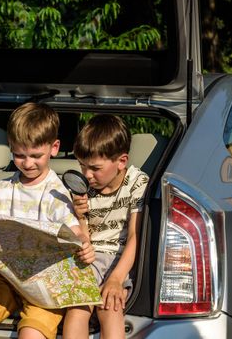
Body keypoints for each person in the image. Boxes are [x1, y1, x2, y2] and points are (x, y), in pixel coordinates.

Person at [0, 102, 95, 339]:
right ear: (10, 148)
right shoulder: (4, 188)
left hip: (45, 288)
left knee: (30, 335)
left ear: (54, 147)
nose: (28, 163)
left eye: (36, 155)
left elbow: (74, 232)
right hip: (5, 278)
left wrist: (83, 244)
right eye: (19, 155)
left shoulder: (56, 192)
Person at [62, 114, 149, 339]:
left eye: (95, 168)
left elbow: (134, 236)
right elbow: (84, 239)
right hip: (89, 259)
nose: (87, 175)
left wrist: (116, 279)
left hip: (120, 260)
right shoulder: (83, 187)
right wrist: (81, 217)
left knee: (110, 307)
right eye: (82, 166)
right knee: (77, 309)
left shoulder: (137, 183)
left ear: (121, 161)